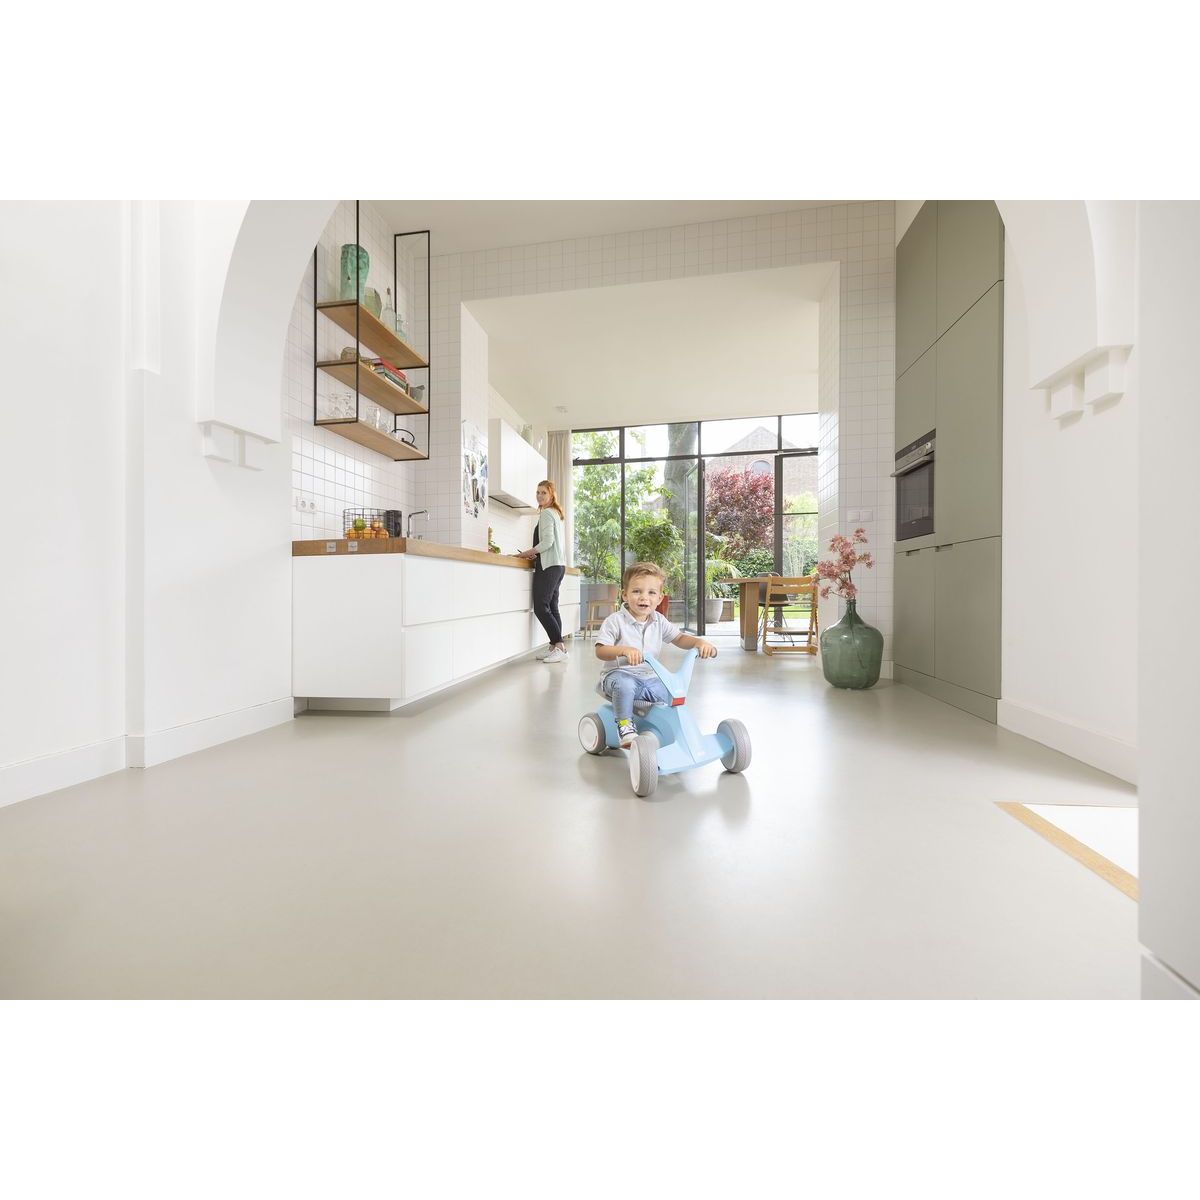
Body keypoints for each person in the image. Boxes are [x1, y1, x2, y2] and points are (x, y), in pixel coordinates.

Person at [595, 561, 716, 747]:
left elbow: (679, 638)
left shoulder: (659, 620)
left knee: (671, 692)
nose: (644, 597)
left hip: (649, 677)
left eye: (651, 592)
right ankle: (624, 725)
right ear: (625, 595)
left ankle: (673, 728)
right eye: (637, 591)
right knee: (625, 685)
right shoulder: (615, 621)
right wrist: (623, 650)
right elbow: (601, 650)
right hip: (618, 675)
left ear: (660, 598)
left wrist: (698, 642)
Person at [520, 480, 569, 663]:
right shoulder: (555, 512)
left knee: (541, 608)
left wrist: (527, 553)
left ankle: (559, 647)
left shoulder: (547, 513)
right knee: (552, 607)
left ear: (551, 494)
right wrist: (536, 553)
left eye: (544, 493)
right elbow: (551, 543)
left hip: (549, 566)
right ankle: (555, 647)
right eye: (538, 492)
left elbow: (548, 542)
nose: (539, 496)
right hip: (557, 565)